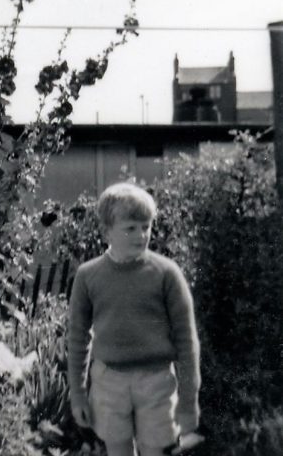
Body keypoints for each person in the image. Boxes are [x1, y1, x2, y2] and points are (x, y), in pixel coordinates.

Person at [66, 182, 201, 456]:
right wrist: (78, 394)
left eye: (146, 227)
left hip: (157, 382)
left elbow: (186, 341)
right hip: (108, 382)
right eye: (130, 228)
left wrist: (188, 401)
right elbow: (78, 337)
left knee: (156, 450)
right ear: (106, 231)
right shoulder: (88, 275)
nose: (141, 235)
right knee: (118, 449)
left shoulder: (166, 274)